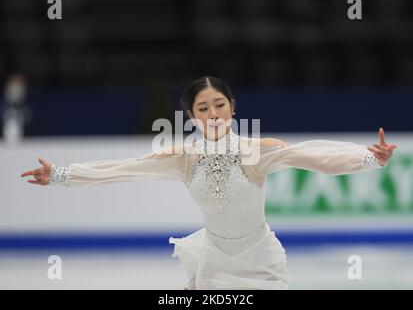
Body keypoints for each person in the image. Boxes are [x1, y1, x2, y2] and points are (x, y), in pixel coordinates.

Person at [20, 76, 397, 289]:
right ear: (191, 116)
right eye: (203, 107)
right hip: (211, 263)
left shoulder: (257, 150)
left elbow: (317, 157)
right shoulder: (183, 157)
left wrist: (366, 158)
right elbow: (123, 168)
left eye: (219, 104)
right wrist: (61, 176)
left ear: (232, 108)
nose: (213, 113)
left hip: (261, 263)